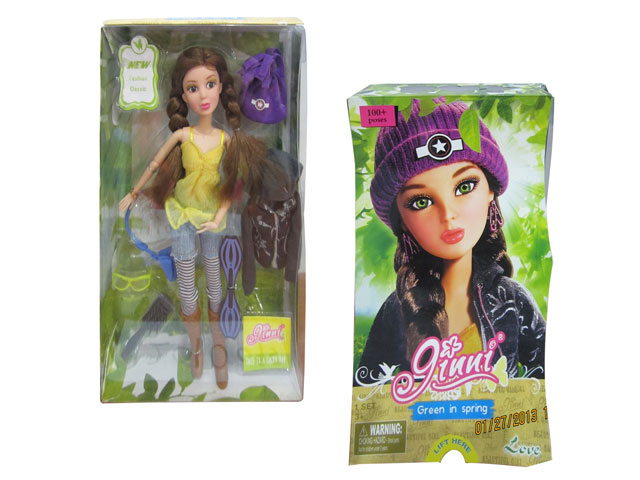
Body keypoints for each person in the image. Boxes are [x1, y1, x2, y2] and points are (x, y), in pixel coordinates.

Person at [357, 98, 546, 384]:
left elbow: (544, 381)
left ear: (491, 190)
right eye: (421, 202)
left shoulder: (512, 300)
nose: (448, 215)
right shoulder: (398, 309)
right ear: (401, 220)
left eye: (465, 186)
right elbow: (366, 391)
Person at [119, 47, 267, 388]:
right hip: (182, 216)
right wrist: (134, 192)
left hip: (211, 218)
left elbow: (232, 186)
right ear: (182, 95)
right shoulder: (181, 136)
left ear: (221, 88)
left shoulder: (226, 140)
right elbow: (154, 164)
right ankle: (196, 345)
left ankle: (218, 344)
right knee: (187, 287)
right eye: (192, 88)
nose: (203, 95)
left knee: (215, 282)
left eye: (210, 84)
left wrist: (219, 217)